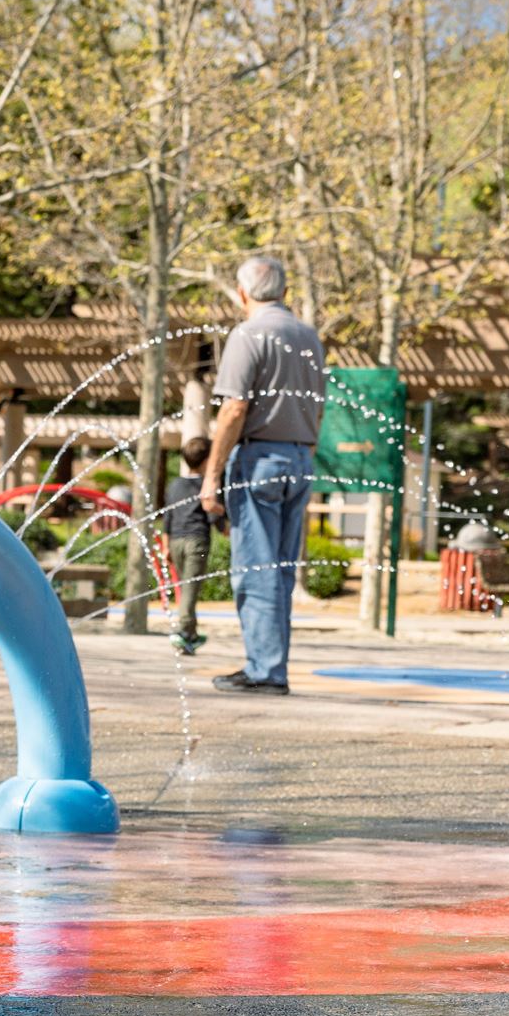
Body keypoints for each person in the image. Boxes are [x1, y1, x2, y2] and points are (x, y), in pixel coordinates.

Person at [200, 256, 325, 693]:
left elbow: (234, 408)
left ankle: (264, 671)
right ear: (285, 292)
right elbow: (319, 406)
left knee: (256, 569)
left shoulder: (248, 334)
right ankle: (273, 666)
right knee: (282, 570)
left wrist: (211, 475)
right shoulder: (309, 336)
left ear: (241, 293)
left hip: (258, 461)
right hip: (299, 459)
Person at [163, 434, 218, 656]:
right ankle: (182, 630)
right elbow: (213, 515)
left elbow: (167, 518)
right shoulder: (207, 487)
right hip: (197, 542)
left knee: (185, 587)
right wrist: (223, 517)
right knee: (190, 588)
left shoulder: (175, 485)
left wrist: (166, 546)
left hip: (175, 541)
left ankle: (191, 635)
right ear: (207, 461)